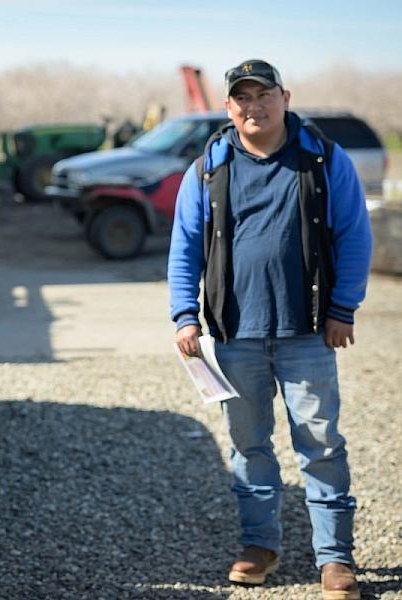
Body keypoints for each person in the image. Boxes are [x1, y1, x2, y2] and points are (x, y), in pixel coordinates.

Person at [167, 59, 371, 600]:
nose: (253, 106)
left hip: (308, 332)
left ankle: (335, 560)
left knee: (322, 444)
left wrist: (343, 308)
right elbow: (185, 245)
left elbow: (354, 234)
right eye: (243, 97)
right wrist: (184, 314)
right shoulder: (209, 166)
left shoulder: (324, 159)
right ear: (229, 106)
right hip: (236, 335)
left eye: (264, 95)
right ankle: (260, 546)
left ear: (285, 96)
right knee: (248, 445)